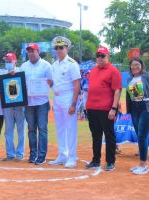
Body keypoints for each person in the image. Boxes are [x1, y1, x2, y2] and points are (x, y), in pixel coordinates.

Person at [86, 46, 122, 171]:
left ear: (108, 57)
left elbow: (117, 90)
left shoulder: (113, 71)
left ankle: (110, 161)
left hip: (106, 109)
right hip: (92, 107)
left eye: (103, 56)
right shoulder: (94, 70)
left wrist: (114, 108)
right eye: (98, 56)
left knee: (109, 135)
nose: (100, 58)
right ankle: (96, 160)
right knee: (95, 135)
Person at [48, 37, 81, 168]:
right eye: (56, 48)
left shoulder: (72, 64)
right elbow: (55, 83)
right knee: (60, 128)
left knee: (71, 128)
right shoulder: (54, 65)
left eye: (61, 47)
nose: (59, 50)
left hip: (68, 98)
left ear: (67, 48)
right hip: (57, 98)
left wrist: (73, 103)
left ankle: (72, 157)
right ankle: (62, 155)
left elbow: (76, 83)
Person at [126, 57, 149, 175]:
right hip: (135, 110)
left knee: (142, 135)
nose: (135, 67)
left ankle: (144, 165)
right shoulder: (130, 79)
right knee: (139, 136)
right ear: (130, 67)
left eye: (137, 64)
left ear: (141, 66)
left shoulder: (147, 77)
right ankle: (142, 163)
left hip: (148, 109)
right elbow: (129, 97)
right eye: (133, 65)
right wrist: (128, 111)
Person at [20, 43, 52, 165]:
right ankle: (33, 154)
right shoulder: (23, 66)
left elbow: (51, 83)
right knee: (31, 129)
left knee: (42, 129)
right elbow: (19, 83)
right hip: (29, 102)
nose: (31, 53)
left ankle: (41, 155)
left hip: (42, 102)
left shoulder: (46, 66)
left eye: (33, 51)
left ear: (38, 52)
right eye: (29, 51)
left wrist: (50, 83)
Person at [2, 53, 26, 162]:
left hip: (20, 106)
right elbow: (0, 89)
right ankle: (10, 154)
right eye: (6, 61)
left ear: (15, 61)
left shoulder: (20, 72)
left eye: (10, 61)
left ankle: (20, 153)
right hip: (7, 106)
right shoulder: (2, 74)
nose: (8, 63)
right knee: (8, 130)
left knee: (21, 130)